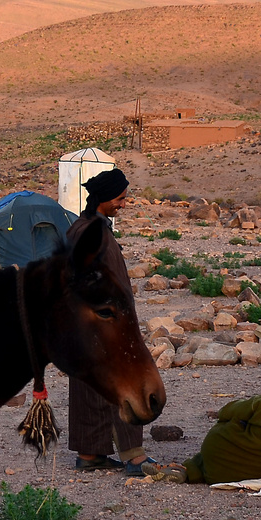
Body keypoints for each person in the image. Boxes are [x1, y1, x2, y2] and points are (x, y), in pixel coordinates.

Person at [65, 168, 172, 477]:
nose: (123, 204)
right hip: (102, 328)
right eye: (120, 199)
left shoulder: (86, 227)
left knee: (91, 388)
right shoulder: (90, 232)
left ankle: (90, 454)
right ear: (104, 198)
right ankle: (134, 457)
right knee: (125, 384)